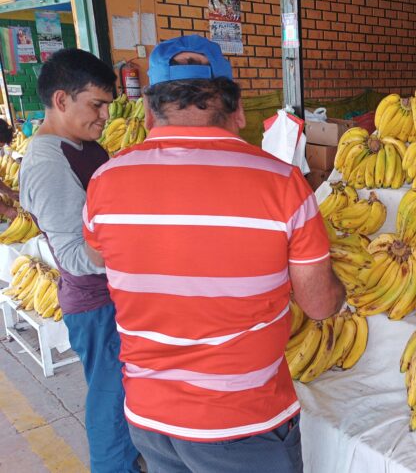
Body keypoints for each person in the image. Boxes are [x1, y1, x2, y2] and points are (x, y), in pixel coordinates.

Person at [82, 35, 345, 472]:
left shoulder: (105, 181)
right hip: (243, 421)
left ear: (148, 112)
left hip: (150, 415)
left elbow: (99, 260)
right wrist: (340, 289)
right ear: (238, 110)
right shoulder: (283, 185)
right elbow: (319, 306)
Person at [19, 48, 140, 472]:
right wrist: (145, 245)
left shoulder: (85, 145)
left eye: (106, 104)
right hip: (96, 303)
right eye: (97, 104)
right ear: (61, 100)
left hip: (114, 296)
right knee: (110, 403)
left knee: (123, 395)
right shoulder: (49, 161)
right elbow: (73, 254)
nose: (105, 115)